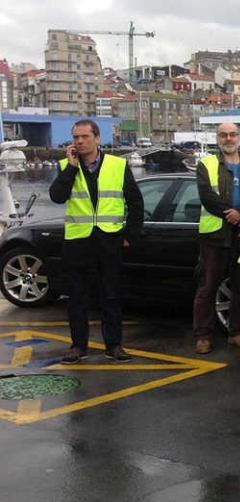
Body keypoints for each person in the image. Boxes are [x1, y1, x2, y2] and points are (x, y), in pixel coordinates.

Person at [50, 120, 144, 364]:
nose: (79, 142)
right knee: (77, 297)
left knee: (111, 296)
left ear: (97, 138)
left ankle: (114, 345)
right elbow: (57, 197)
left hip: (108, 239)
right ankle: (78, 346)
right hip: (77, 241)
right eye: (76, 137)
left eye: (84, 137)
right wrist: (71, 168)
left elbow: (135, 202)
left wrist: (130, 235)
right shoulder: (66, 166)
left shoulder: (118, 165)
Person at [191, 122, 240, 355]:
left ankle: (236, 332)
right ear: (217, 138)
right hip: (214, 236)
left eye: (232, 134)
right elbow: (207, 196)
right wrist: (234, 215)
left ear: (239, 137)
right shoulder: (206, 164)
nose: (228, 138)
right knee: (207, 287)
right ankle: (203, 336)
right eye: (223, 135)